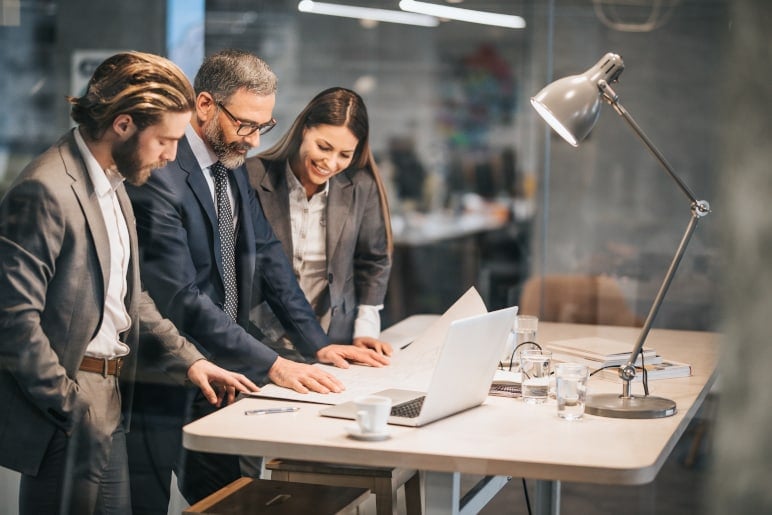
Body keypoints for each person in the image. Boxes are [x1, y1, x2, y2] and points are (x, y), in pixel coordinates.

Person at [124, 50, 390, 511]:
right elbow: (181, 297)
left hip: (221, 375)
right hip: (165, 375)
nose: (252, 140)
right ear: (204, 104)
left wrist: (316, 343)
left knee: (227, 500)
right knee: (144, 502)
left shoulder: (228, 164)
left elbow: (267, 256)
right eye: (245, 124)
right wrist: (273, 364)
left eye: (262, 127)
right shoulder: (162, 173)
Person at [0, 51, 257, 515]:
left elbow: (128, 297)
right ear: (122, 125)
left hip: (114, 397)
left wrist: (191, 361)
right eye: (164, 140)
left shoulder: (114, 183)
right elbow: (13, 321)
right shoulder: (46, 189)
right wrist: (67, 404)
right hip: (71, 404)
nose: (172, 155)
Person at [245, 87, 393, 355]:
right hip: (262, 340)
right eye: (324, 147)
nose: (331, 162)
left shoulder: (360, 186)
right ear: (304, 129)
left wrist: (366, 330)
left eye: (345, 155)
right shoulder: (252, 177)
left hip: (336, 339)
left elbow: (373, 261)